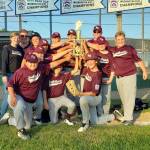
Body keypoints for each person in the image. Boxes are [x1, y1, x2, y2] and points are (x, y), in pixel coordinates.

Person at [7, 53, 73, 140]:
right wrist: (12, 96)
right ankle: (20, 130)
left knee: (28, 125)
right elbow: (10, 85)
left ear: (38, 63)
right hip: (17, 96)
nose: (32, 64)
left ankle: (10, 120)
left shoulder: (40, 69)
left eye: (34, 62)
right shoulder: (20, 72)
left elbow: (52, 64)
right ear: (26, 62)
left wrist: (65, 59)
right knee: (20, 106)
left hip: (29, 101)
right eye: (30, 62)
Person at [110, 31, 148, 125]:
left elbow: (138, 60)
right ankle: (127, 115)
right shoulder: (113, 49)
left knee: (129, 97)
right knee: (124, 98)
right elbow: (101, 47)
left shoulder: (129, 48)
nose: (120, 41)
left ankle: (129, 119)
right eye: (118, 39)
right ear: (115, 40)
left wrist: (144, 71)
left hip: (129, 76)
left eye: (122, 39)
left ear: (124, 39)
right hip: (118, 78)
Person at [43, 57, 79, 125]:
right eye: (56, 67)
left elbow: (76, 70)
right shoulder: (48, 77)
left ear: (61, 68)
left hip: (61, 97)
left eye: (59, 67)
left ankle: (67, 118)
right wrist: (45, 102)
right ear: (53, 68)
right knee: (54, 122)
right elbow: (44, 90)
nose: (58, 69)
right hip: (51, 100)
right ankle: (58, 115)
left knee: (72, 105)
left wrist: (76, 58)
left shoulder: (63, 75)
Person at [0, 32, 24, 123]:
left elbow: (22, 63)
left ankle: (14, 115)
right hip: (9, 74)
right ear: (11, 38)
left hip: (18, 75)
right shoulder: (7, 48)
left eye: (18, 38)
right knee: (8, 95)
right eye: (14, 37)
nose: (16, 39)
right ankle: (1, 114)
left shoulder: (21, 49)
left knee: (17, 94)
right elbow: (4, 62)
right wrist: (4, 75)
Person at [92, 38, 114, 115]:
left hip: (106, 78)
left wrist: (110, 79)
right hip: (97, 78)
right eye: (99, 44)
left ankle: (106, 114)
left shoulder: (109, 54)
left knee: (106, 97)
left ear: (105, 44)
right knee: (98, 97)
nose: (101, 45)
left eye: (102, 44)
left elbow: (112, 68)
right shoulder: (95, 53)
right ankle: (100, 113)